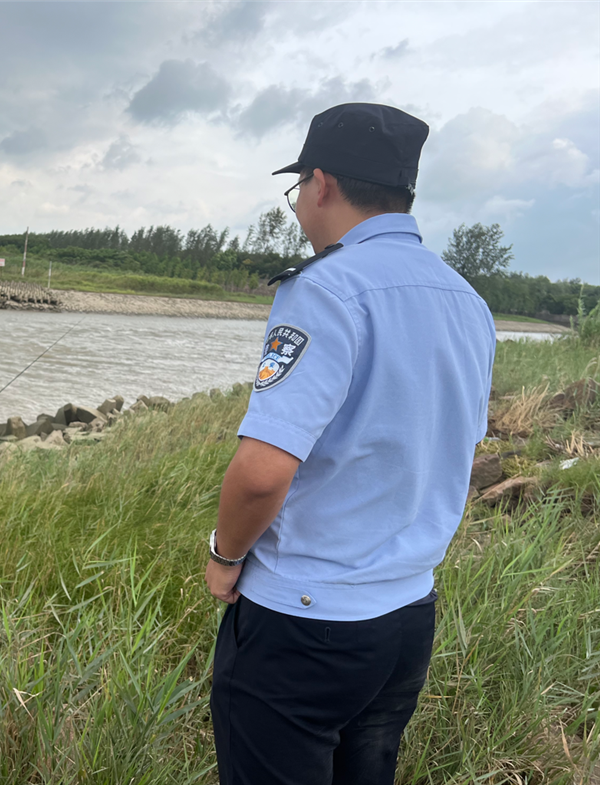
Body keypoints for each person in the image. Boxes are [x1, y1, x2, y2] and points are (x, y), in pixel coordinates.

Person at [205, 103, 496, 784]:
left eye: (298, 187)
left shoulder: (327, 289)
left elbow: (260, 472)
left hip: (307, 619)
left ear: (322, 183)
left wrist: (225, 555)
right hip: (406, 617)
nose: (300, 205)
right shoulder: (467, 301)